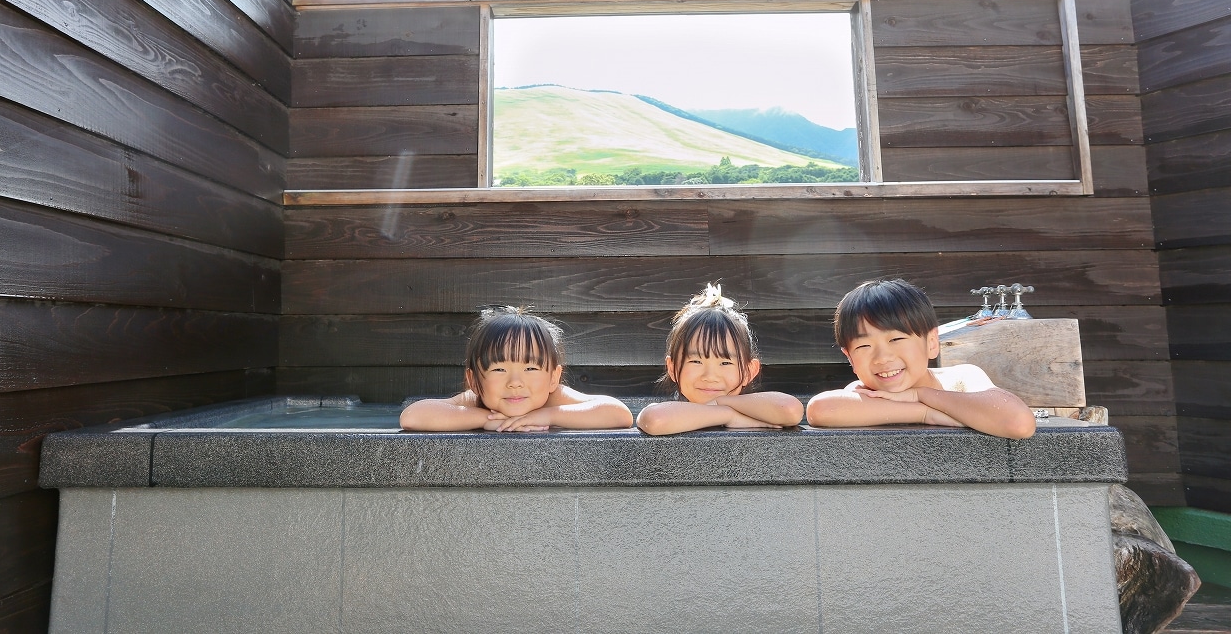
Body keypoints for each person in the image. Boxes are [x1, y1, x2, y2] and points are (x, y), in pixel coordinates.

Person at [805, 278, 1036, 439]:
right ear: (850, 358)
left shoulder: (961, 378)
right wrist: (925, 413)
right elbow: (820, 410)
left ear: (932, 343)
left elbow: (1019, 423)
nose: (883, 357)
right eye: (864, 345)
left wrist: (920, 394)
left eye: (896, 340)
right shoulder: (863, 393)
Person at [399, 305, 633, 432]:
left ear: (554, 377)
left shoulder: (554, 399)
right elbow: (412, 416)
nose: (515, 382)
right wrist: (483, 419)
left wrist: (548, 415)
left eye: (530, 368)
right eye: (499, 370)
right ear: (474, 380)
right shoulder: (476, 400)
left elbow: (620, 414)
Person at [635, 284, 805, 435]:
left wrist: (720, 402)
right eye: (696, 361)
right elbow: (654, 419)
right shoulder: (669, 413)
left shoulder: (757, 408)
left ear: (749, 371)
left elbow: (790, 410)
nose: (710, 376)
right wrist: (729, 415)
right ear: (672, 368)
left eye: (725, 363)